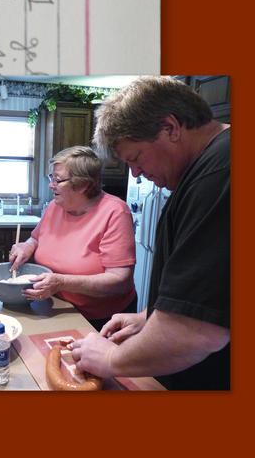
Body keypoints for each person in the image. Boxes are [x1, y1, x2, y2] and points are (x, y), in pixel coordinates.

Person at [69, 76, 231, 390]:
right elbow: (217, 300)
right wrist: (151, 317)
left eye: (136, 157)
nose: (136, 174)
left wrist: (111, 359)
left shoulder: (218, 176)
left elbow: (198, 332)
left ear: (171, 128)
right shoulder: (210, 166)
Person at [8, 146, 137, 331]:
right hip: (55, 308)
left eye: (58, 180)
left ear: (83, 185)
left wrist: (61, 282)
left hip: (102, 320)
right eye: (51, 178)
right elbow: (36, 239)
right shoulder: (55, 206)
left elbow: (120, 280)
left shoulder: (115, 212)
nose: (51, 185)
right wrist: (26, 247)